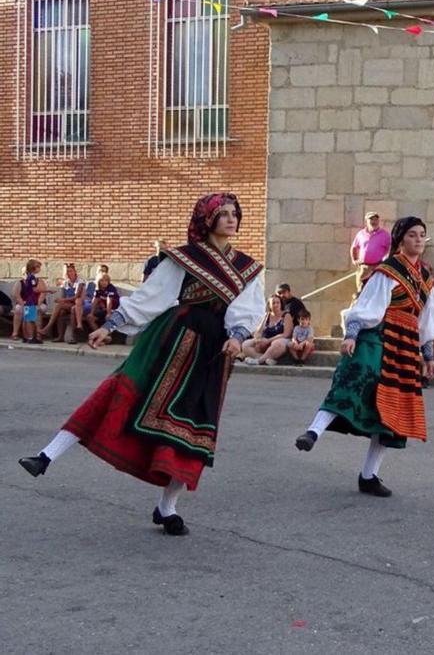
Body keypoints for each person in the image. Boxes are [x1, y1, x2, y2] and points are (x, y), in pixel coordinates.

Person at [17, 193, 265, 536]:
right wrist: (108, 325)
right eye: (222, 214)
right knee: (118, 391)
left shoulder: (247, 268)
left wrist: (238, 336)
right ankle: (45, 457)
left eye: (234, 213)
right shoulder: (184, 258)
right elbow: (153, 297)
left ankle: (167, 507)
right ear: (207, 220)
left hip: (213, 350)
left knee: (195, 427)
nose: (230, 219)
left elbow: (248, 309)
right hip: (172, 338)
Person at [294, 216, 434, 498]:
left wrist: (428, 355)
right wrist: (351, 334)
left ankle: (369, 476)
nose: (419, 239)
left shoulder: (425, 276)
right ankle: (313, 432)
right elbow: (365, 308)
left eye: (422, 234)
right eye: (412, 234)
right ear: (400, 239)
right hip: (378, 334)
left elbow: (426, 319)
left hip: (406, 345)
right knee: (354, 380)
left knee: (393, 411)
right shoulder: (388, 270)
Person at [241, 295, 293, 366]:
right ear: (269, 305)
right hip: (266, 339)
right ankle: (268, 359)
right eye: (273, 303)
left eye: (278, 303)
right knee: (245, 344)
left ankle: (259, 361)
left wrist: (268, 341)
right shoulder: (267, 315)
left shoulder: (286, 315)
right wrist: (258, 339)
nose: (276, 305)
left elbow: (286, 334)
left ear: (281, 304)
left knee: (277, 344)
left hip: (281, 340)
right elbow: (258, 332)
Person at [38, 263, 84, 343]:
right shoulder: (65, 283)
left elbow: (77, 296)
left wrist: (62, 301)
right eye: (67, 272)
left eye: (71, 271)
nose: (69, 273)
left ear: (75, 272)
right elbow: (63, 296)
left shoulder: (80, 282)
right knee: (61, 312)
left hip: (78, 304)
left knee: (61, 306)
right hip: (68, 304)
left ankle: (47, 328)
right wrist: (60, 300)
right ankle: (60, 336)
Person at [351, 211, 390, 294]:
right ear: (366, 221)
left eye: (376, 219)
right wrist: (354, 260)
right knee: (361, 291)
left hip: (378, 267)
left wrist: (386, 258)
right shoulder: (361, 234)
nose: (374, 221)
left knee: (376, 291)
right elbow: (354, 247)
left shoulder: (385, 235)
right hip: (364, 267)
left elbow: (390, 248)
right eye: (371, 219)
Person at [17, 260, 50, 344]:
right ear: (33, 268)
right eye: (38, 267)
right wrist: (48, 290)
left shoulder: (28, 276)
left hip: (28, 300)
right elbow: (34, 289)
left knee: (28, 318)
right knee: (30, 319)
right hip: (31, 300)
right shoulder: (32, 277)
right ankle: (32, 337)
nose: (40, 269)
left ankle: (28, 337)